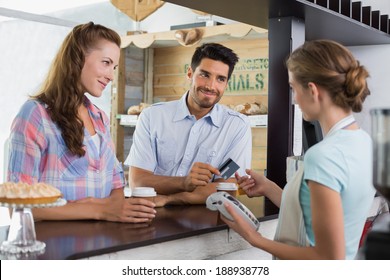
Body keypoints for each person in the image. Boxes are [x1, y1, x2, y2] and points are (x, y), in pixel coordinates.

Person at [223, 39, 376, 259]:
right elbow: (324, 214)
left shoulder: (323, 156)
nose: (294, 99)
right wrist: (269, 188)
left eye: (294, 88)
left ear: (312, 90)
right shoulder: (363, 142)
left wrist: (253, 238)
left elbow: (327, 258)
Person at [6, 22, 156, 223]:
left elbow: (116, 190)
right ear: (78, 58)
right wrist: (98, 210)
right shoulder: (36, 115)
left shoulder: (100, 118)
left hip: (103, 246)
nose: (111, 76)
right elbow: (19, 206)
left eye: (114, 67)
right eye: (106, 62)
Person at [125, 43, 252, 205]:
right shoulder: (152, 117)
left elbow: (227, 188)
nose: (211, 86)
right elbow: (138, 182)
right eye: (205, 75)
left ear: (226, 84)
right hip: (150, 216)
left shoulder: (236, 127)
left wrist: (169, 199)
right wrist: (184, 183)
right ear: (190, 73)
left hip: (205, 221)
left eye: (220, 79)